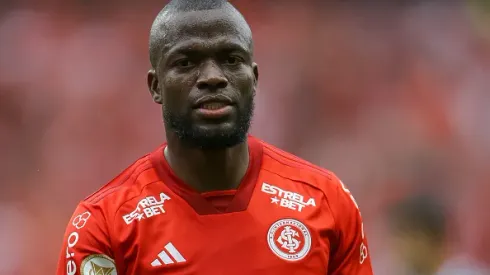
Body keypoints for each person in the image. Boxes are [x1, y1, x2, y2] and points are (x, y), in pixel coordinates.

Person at [56, 0, 373, 274]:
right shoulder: (104, 225)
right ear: (155, 86)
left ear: (255, 77)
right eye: (185, 62)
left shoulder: (326, 201)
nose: (212, 77)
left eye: (231, 59)